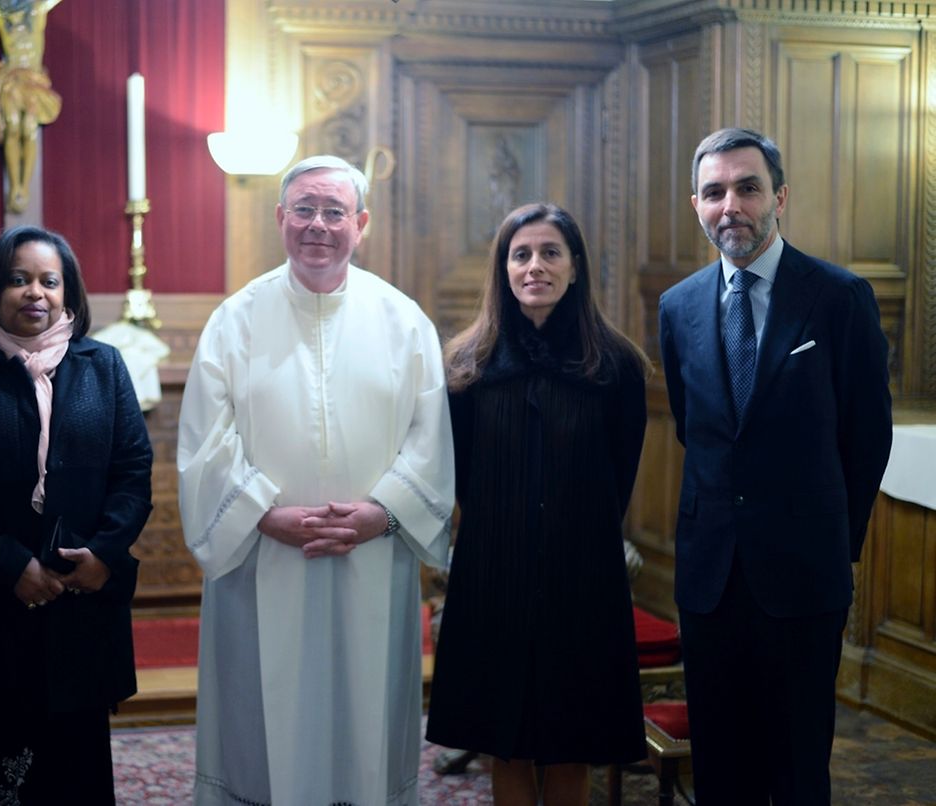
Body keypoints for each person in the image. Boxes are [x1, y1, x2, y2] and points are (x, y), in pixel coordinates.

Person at [177, 154, 455, 805]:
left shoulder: (403, 320)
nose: (318, 225)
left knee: (366, 711)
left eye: (334, 211)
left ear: (362, 223)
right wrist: (260, 513)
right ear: (280, 217)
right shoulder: (236, 320)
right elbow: (205, 441)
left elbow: (431, 438)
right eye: (304, 209)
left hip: (371, 557)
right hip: (262, 558)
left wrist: (383, 513)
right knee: (260, 720)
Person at [659, 128, 892, 805]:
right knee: (721, 771)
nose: (730, 205)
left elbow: (867, 438)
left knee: (796, 771)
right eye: (714, 192)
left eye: (748, 188)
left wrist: (832, 543)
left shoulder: (839, 297)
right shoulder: (678, 306)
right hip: (710, 578)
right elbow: (694, 427)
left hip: (804, 576)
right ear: (696, 205)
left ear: (779, 197)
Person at [426, 203, 650, 805]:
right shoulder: (467, 366)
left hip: (583, 576)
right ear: (503, 269)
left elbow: (620, 476)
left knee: (572, 741)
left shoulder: (617, 366)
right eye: (520, 254)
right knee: (507, 742)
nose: (535, 267)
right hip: (494, 574)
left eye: (551, 253)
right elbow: (460, 476)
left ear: (575, 267)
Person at [0, 226, 152, 804]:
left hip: (81, 596)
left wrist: (105, 553)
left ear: (68, 293)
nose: (35, 293)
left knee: (77, 775)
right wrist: (11, 565)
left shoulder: (104, 366)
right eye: (18, 279)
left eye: (50, 281)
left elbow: (133, 472)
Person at [0, 0, 64, 213]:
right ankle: (15, 186)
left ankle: (24, 187)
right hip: (11, 84)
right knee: (13, 128)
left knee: (29, 129)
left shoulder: (36, 16)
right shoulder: (3, 21)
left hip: (33, 84)